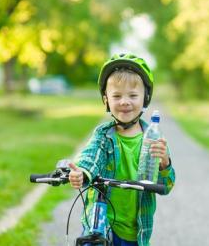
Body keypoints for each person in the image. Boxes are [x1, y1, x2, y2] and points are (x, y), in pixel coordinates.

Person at [68, 53, 175, 246]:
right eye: (117, 96)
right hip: (100, 223)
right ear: (106, 100)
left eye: (133, 95)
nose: (124, 101)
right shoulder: (104, 135)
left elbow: (166, 186)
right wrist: (82, 174)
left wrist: (164, 163)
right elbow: (91, 158)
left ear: (145, 98)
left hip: (136, 230)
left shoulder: (152, 139)